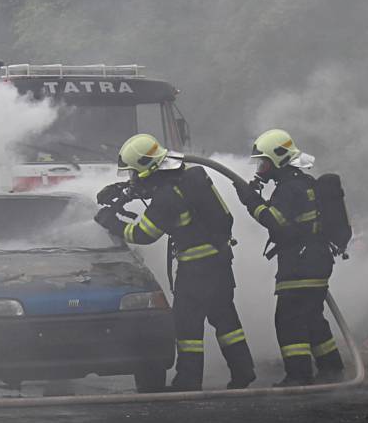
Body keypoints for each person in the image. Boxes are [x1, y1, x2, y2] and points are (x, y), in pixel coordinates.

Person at [94, 134, 255, 390]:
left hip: (195, 272)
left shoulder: (168, 197)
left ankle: (188, 381)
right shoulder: (191, 176)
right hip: (221, 264)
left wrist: (110, 221)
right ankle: (244, 371)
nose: (132, 177)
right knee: (226, 322)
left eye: (135, 172)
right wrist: (126, 190)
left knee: (187, 327)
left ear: (148, 168)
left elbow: (142, 234)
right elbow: (159, 184)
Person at [234, 129, 344, 386]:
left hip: (299, 264)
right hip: (316, 260)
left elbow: (276, 222)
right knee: (313, 318)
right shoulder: (304, 182)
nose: (261, 167)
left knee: (289, 320)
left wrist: (251, 201)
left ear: (278, 160)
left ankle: (299, 375)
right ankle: (331, 369)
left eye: (264, 162)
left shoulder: (288, 188)